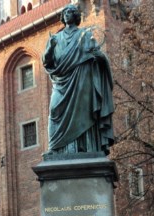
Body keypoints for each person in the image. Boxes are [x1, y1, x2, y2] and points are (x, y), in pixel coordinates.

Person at [42, 3, 114, 155]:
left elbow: (97, 54)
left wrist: (99, 57)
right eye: (65, 12)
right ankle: (55, 148)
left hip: (82, 78)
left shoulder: (85, 34)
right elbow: (47, 62)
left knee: (84, 113)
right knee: (55, 110)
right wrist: (49, 49)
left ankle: (86, 147)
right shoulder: (55, 38)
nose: (67, 14)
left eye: (70, 12)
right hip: (62, 81)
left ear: (76, 16)